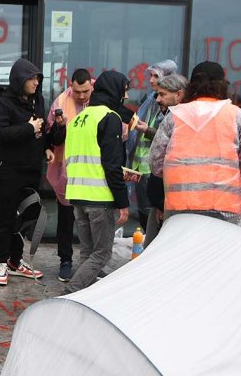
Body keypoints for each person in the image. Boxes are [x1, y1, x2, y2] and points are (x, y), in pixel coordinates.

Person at [148, 62, 241, 234]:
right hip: (225, 209)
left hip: (179, 208)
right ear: (222, 85)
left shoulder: (174, 116)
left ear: (191, 86)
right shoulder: (237, 117)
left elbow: (155, 163)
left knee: (183, 252)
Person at [0, 59, 62, 286]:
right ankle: (1, 263)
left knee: (26, 218)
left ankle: (15, 260)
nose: (36, 83)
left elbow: (42, 131)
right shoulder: (3, 104)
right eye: (31, 79)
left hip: (31, 171)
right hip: (8, 171)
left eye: (38, 78)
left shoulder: (37, 101)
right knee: (5, 218)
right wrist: (28, 128)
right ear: (19, 80)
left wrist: (48, 146)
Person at [60, 70, 131, 294]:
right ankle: (70, 294)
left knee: (87, 251)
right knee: (102, 253)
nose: (126, 97)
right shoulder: (109, 117)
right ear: (114, 90)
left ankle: (82, 296)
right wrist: (122, 201)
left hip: (77, 195)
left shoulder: (78, 119)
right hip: (99, 197)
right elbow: (112, 164)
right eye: (124, 91)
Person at [46, 68, 93, 282]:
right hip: (67, 169)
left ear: (91, 86)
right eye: (77, 91)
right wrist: (60, 127)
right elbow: (52, 139)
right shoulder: (61, 102)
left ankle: (91, 262)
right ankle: (65, 260)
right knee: (66, 217)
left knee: (91, 219)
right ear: (70, 86)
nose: (81, 96)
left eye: (85, 91)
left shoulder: (99, 100)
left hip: (92, 170)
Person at [135, 74, 187, 247]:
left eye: (162, 94)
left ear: (178, 94)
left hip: (172, 200)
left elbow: (161, 162)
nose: (158, 99)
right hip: (165, 199)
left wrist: (160, 202)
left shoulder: (180, 120)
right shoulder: (170, 116)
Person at [126, 60, 178, 233]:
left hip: (154, 169)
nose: (151, 80)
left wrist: (146, 129)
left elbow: (170, 137)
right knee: (144, 214)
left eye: (156, 76)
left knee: (153, 216)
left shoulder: (172, 106)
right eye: (151, 75)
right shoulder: (150, 99)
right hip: (141, 167)